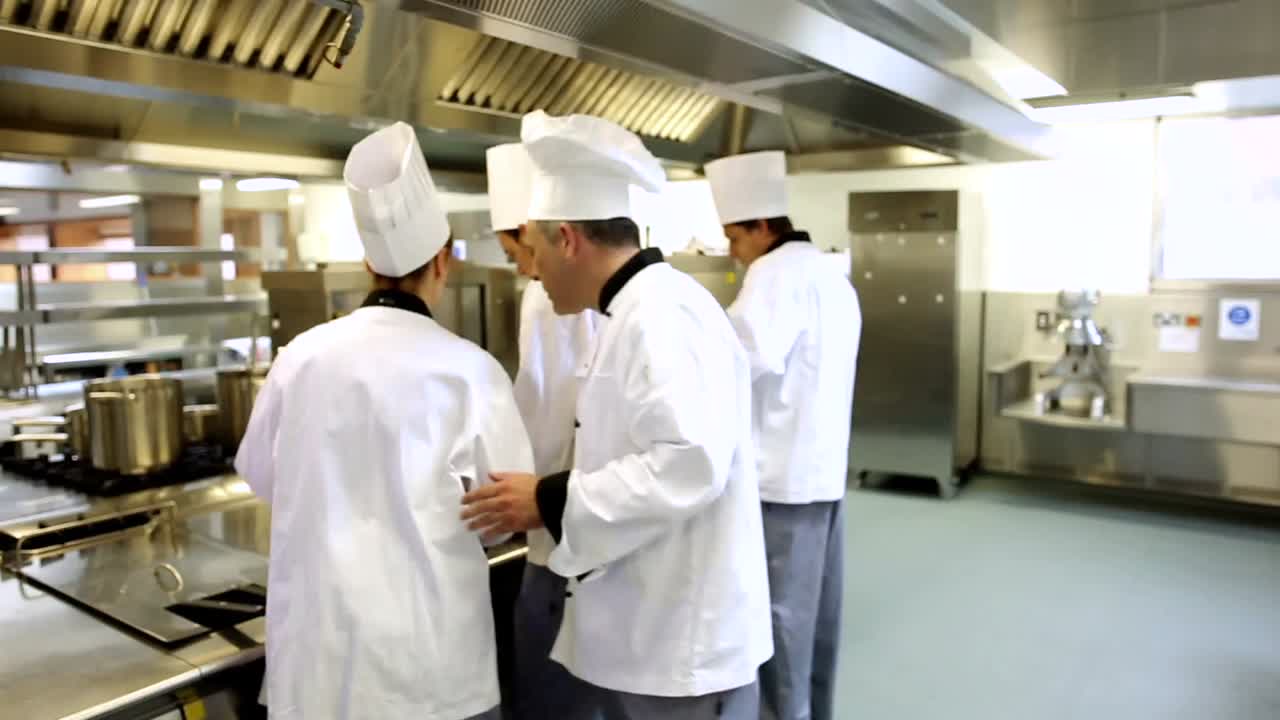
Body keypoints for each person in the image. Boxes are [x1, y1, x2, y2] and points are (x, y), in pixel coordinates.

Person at [460, 111, 773, 720]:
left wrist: (548, 499)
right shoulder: (632, 310)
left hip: (683, 647)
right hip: (655, 628)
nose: (533, 270)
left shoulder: (661, 315)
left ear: (568, 239)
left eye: (534, 250)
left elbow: (688, 464)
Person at [236, 121, 534, 720]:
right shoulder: (470, 371)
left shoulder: (299, 358)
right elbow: (501, 518)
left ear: (367, 263)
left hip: (316, 671)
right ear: (444, 262)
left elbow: (264, 478)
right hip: (429, 671)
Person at [705, 150, 862, 720]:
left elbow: (740, 358)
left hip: (779, 483)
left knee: (779, 624)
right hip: (823, 477)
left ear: (763, 226)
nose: (732, 251)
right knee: (816, 619)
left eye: (734, 237)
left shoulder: (773, 275)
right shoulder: (828, 272)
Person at [486, 141, 599, 719]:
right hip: (591, 521)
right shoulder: (602, 296)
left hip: (556, 526)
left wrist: (509, 489)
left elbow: (544, 417)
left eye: (516, 253)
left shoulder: (545, 300)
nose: (521, 269)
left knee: (546, 689)